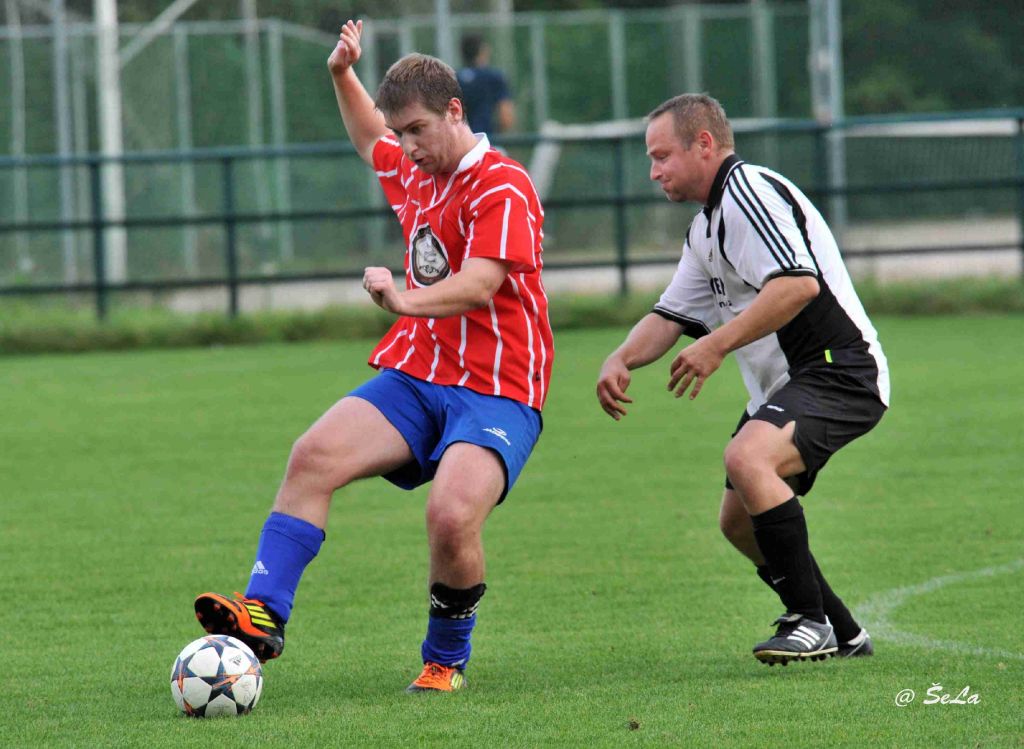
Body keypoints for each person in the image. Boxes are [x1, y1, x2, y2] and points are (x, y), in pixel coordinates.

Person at [193, 19, 553, 693]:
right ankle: (261, 616)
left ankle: (444, 659)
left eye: (417, 130)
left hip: (498, 387)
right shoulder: (415, 168)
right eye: (401, 132)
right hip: (419, 374)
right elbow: (368, 138)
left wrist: (402, 299)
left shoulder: (502, 184)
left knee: (451, 516)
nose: (406, 146)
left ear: (455, 111)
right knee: (313, 455)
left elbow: (482, 282)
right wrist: (341, 72)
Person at [596, 94, 888, 665]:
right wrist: (621, 358)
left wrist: (716, 344)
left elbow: (798, 285)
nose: (653, 171)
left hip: (840, 369)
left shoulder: (748, 192)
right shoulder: (705, 227)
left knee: (748, 458)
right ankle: (844, 631)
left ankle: (808, 621)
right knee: (738, 524)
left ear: (704, 144)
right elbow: (671, 315)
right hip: (789, 385)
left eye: (661, 156)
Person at [457, 34, 515, 139]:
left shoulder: (453, 78)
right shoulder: (494, 77)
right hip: (487, 140)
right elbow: (506, 118)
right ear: (483, 51)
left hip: (460, 142)